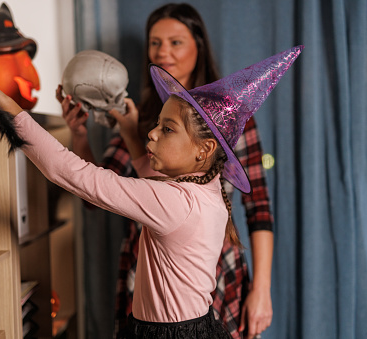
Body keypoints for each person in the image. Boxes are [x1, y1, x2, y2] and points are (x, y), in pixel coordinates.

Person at [58, 3, 275, 338]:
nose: (163, 52)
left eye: (176, 42)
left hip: (218, 271)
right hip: (150, 277)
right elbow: (95, 191)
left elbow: (258, 207)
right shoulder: (144, 118)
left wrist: (261, 289)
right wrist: (80, 135)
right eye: (155, 42)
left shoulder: (231, 122)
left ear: (198, 47)